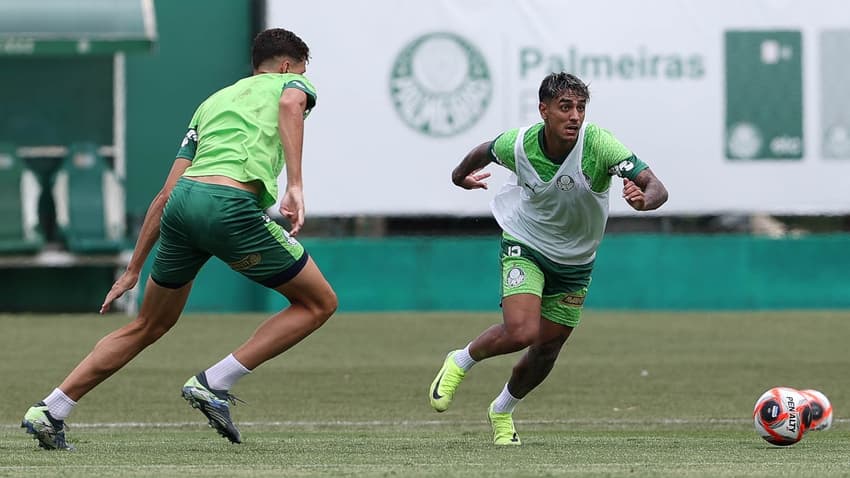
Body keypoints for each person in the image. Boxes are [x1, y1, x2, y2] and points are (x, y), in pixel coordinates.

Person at [21, 28, 338, 450]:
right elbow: (291, 103)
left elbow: (166, 193)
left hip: (184, 205)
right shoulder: (290, 84)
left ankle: (51, 408)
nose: (299, 79)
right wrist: (295, 185)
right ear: (286, 66)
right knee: (319, 303)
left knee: (149, 324)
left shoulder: (212, 103)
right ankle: (214, 382)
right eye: (299, 69)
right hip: (228, 204)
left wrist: (134, 268)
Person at [428, 72, 668, 445]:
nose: (575, 116)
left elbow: (657, 187)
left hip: (576, 262)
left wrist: (643, 201)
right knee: (522, 331)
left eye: (580, 108)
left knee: (546, 349)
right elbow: (484, 150)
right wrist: (460, 177)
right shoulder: (520, 145)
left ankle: (502, 410)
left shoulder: (599, 144)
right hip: (527, 244)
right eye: (565, 107)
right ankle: (460, 360)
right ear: (544, 110)